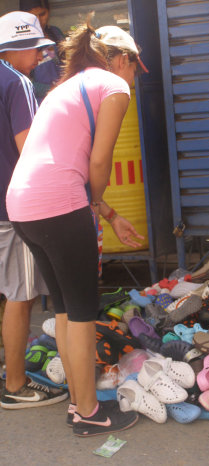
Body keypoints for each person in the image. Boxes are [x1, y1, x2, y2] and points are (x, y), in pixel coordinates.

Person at [6, 15, 146, 437]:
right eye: (136, 67)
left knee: (66, 310)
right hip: (60, 205)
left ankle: (77, 404)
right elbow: (98, 163)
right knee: (83, 312)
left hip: (22, 204)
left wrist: (110, 216)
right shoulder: (113, 87)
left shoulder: (63, 87)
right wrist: (94, 205)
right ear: (120, 60)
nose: (135, 78)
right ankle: (88, 412)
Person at [0, 11, 68, 408]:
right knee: (20, 295)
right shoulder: (17, 83)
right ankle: (15, 384)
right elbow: (30, 150)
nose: (41, 57)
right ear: (20, 48)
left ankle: (11, 367)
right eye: (37, 49)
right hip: (13, 205)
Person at [19, 0, 64, 103]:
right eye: (32, 17)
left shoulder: (55, 33)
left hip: (64, 98)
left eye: (42, 14)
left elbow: (67, 60)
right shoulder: (21, 45)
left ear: (49, 11)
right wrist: (52, 89)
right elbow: (23, 83)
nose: (38, 20)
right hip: (41, 104)